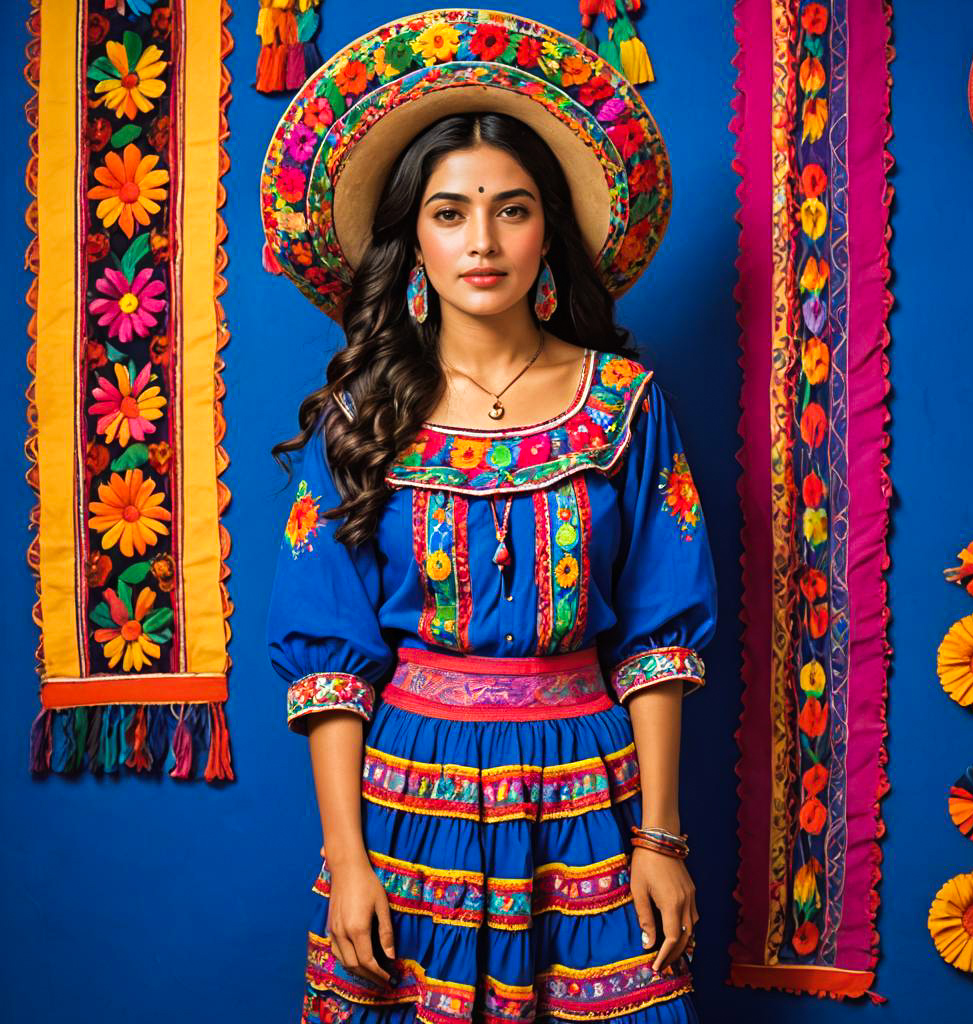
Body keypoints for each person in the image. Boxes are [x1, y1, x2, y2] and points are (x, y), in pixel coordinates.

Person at [262, 10, 718, 1023]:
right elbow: (330, 662)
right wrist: (346, 860)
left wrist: (660, 836)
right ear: (412, 238)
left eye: (511, 210)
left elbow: (655, 638)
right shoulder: (359, 417)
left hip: (590, 800)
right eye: (450, 212)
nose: (481, 241)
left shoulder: (623, 404)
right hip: (408, 806)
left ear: (547, 229)